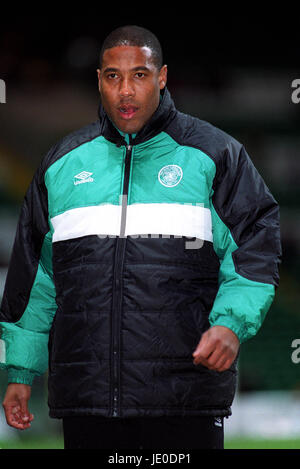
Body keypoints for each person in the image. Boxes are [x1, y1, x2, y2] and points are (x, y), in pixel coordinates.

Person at [0, 25, 281, 450]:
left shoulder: (215, 155)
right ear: (99, 80)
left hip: (186, 403)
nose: (126, 91)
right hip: (88, 406)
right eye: (113, 76)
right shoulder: (60, 166)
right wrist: (20, 371)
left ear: (162, 76)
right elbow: (34, 280)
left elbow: (256, 247)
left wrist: (230, 324)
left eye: (140, 75)